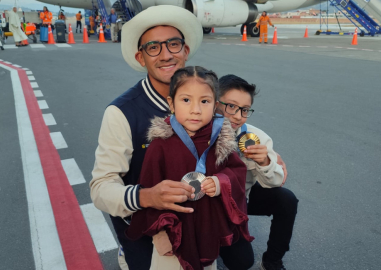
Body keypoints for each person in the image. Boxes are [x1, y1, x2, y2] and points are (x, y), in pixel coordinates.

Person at [89, 5, 204, 270]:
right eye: (153, 47)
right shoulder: (122, 112)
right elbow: (100, 188)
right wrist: (148, 197)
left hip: (193, 211)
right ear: (141, 58)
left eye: (173, 44)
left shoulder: (202, 95)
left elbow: (231, 127)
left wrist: (262, 150)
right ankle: (127, 249)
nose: (166, 55)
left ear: (185, 51)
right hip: (145, 221)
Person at [126, 66, 253, 270]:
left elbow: (237, 172)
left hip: (207, 228)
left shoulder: (221, 138)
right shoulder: (161, 143)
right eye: (186, 100)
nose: (196, 109)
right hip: (172, 231)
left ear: (215, 106)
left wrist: (220, 182)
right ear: (171, 103)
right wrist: (159, 235)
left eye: (205, 101)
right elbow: (149, 190)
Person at [216, 75, 298, 270]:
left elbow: (275, 182)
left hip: (240, 200)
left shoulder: (256, 137)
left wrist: (265, 161)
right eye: (231, 106)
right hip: (207, 203)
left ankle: (272, 261)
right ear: (214, 102)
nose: (238, 115)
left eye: (244, 110)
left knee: (286, 200)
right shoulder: (197, 129)